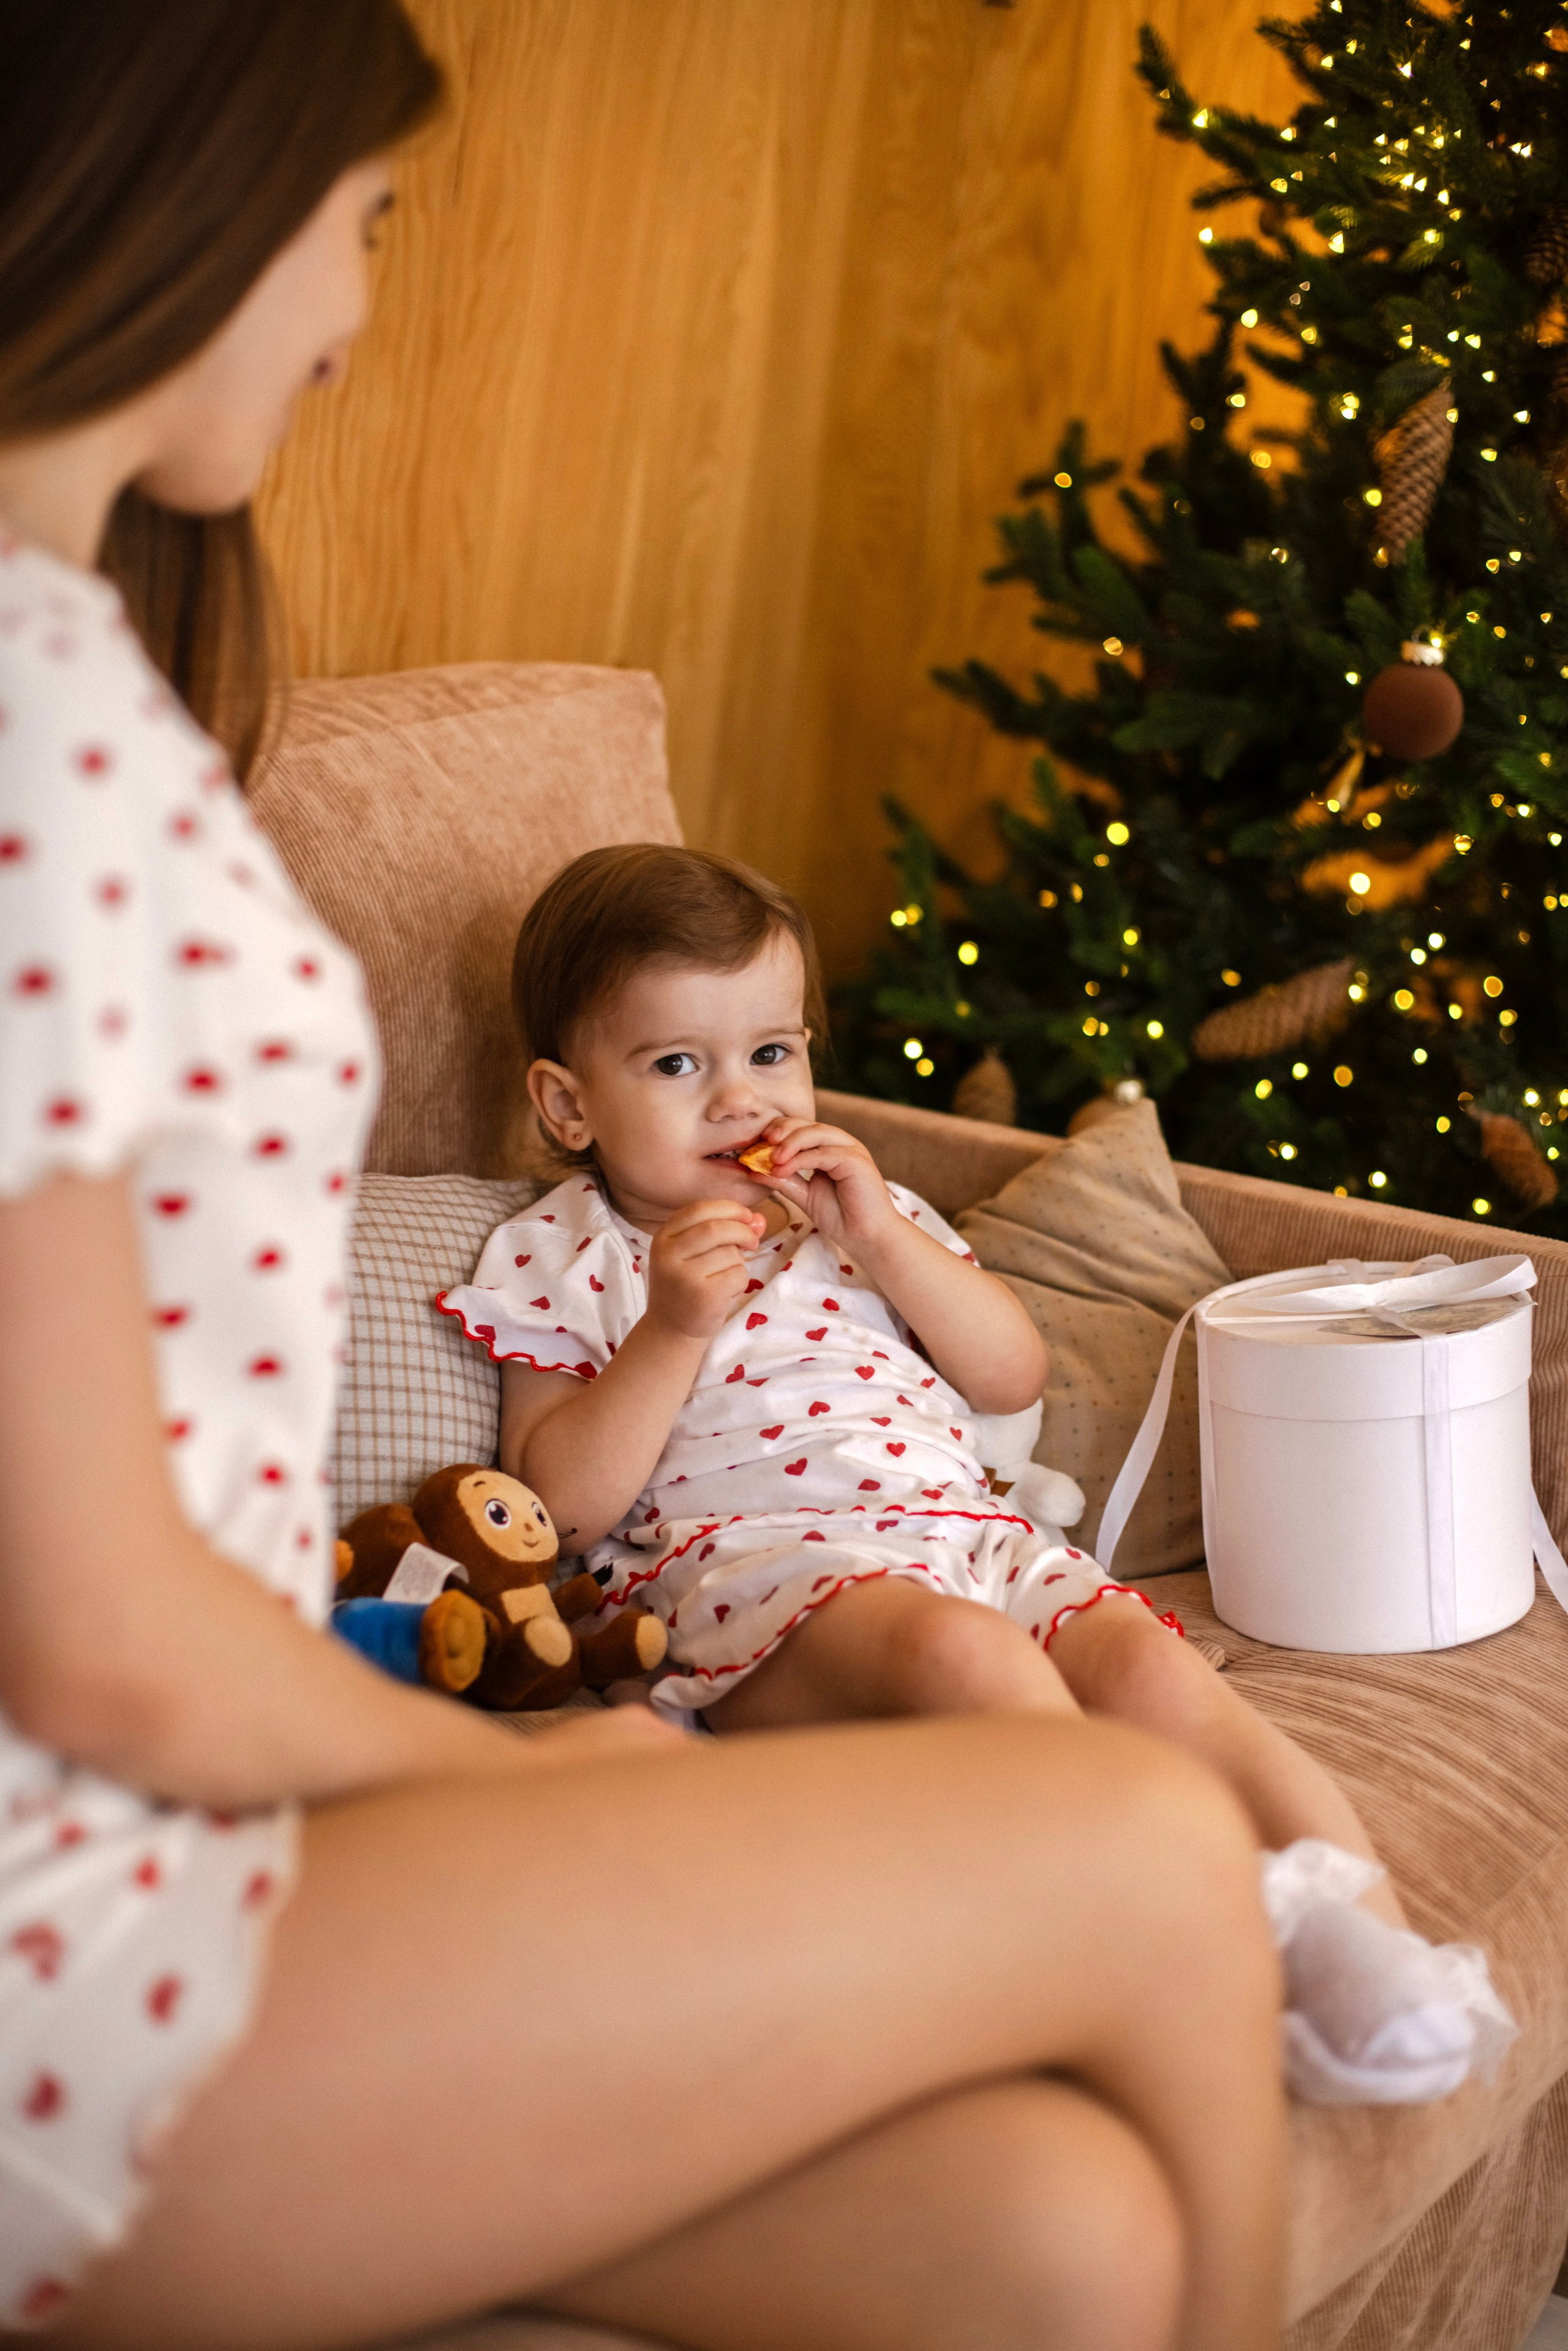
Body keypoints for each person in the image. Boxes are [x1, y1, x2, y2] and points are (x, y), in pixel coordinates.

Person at [0, 7, 1289, 2348]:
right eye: (361, 224)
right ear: (177, 177)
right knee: (1128, 1833)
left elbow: (992, 1357)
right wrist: (495, 1768)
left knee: (1051, 2233)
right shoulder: (31, 736)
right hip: (82, 1927)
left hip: (208, 1805)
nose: (353, 312)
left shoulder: (91, 689)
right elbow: (97, 1632)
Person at [444, 839, 1515, 2108]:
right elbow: (557, 1500)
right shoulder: (560, 1249)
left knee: (1145, 1665)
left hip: (967, 1530)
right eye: (679, 1064)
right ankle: (1158, 1939)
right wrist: (671, 1325)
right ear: (569, 1107)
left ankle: (1380, 1959)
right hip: (761, 1575)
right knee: (970, 1663)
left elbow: (1009, 1374)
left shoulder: (864, 1213)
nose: (744, 1101)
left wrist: (888, 1241)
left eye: (771, 1052)